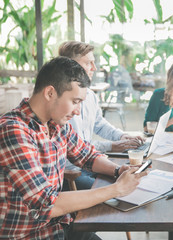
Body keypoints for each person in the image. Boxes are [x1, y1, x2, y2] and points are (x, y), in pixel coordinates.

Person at [0, 57, 147, 239]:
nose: (78, 111)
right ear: (50, 93)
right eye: (75, 101)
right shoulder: (14, 131)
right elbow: (46, 204)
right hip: (29, 234)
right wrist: (116, 189)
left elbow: (87, 156)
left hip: (59, 227)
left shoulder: (58, 124)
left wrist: (118, 170)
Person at [58, 41, 144, 190]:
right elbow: (80, 146)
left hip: (90, 165)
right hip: (72, 172)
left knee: (133, 184)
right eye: (88, 63)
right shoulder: (61, 105)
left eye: (94, 62)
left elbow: (98, 124)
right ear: (71, 66)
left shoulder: (90, 95)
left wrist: (121, 136)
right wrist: (111, 146)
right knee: (120, 194)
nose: (94, 68)